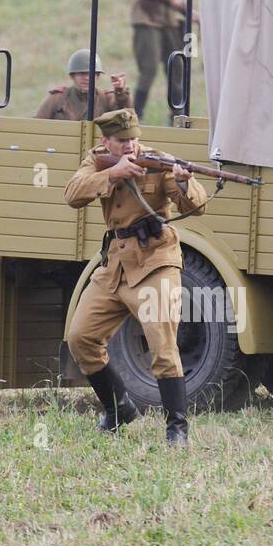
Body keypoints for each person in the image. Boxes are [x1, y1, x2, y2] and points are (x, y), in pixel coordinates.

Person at [64, 108, 207, 444]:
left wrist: (185, 180)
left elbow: (196, 206)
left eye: (133, 140)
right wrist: (113, 174)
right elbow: (72, 194)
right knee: (80, 337)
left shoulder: (157, 161)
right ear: (106, 142)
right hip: (115, 264)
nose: (129, 146)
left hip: (156, 260)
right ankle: (118, 408)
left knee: (162, 342)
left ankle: (177, 427)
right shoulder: (98, 160)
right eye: (121, 141)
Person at [130, 0, 189, 123]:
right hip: (148, 20)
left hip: (167, 20)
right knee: (149, 68)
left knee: (177, 66)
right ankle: (136, 116)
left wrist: (189, 11)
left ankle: (177, 115)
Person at [35, 49, 131, 121]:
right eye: (82, 74)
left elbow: (124, 112)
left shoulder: (105, 99)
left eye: (91, 74)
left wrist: (120, 91)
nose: (87, 78)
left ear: (97, 76)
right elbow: (38, 124)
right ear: (72, 76)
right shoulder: (57, 99)